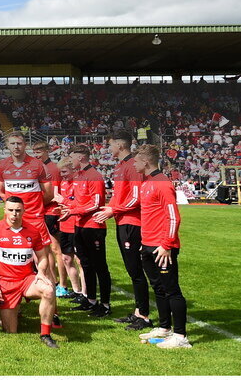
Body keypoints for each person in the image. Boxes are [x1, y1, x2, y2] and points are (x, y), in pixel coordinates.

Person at [133, 145, 190, 349]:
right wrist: (143, 244)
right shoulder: (147, 182)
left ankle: (181, 336)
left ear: (146, 162)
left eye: (136, 160)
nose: (134, 163)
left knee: (172, 289)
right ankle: (165, 328)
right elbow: (148, 216)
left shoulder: (162, 183)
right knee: (158, 287)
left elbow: (174, 217)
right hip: (148, 246)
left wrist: (166, 245)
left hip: (162, 247)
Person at [94, 129, 152, 330]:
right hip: (122, 221)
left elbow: (136, 198)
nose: (108, 148)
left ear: (119, 145)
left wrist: (113, 209)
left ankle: (144, 315)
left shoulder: (131, 166)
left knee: (136, 270)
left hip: (132, 223)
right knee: (132, 270)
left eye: (110, 144)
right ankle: (138, 312)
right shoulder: (121, 166)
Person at [0, 196, 59, 349]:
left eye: (18, 210)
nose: (14, 214)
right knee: (10, 331)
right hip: (5, 282)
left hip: (26, 280)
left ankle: (45, 334)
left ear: (23, 211)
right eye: (10, 210)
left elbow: (43, 257)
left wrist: (41, 273)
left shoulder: (33, 230)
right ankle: (12, 310)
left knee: (49, 290)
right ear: (4, 210)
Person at [61, 145, 111, 317]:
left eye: (72, 156)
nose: (70, 160)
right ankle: (90, 300)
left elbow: (95, 204)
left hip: (93, 227)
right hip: (80, 225)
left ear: (81, 157)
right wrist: (67, 206)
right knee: (86, 264)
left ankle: (105, 304)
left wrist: (72, 211)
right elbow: (78, 201)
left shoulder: (94, 176)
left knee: (99, 267)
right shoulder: (79, 176)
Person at [0, 131, 52, 242]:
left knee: (42, 252)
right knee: (15, 249)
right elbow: (1, 192)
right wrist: (14, 206)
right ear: (7, 145)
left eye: (19, 143)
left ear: (25, 144)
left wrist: (36, 205)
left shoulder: (37, 165)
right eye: (12, 144)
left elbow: (49, 193)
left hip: (34, 217)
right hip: (12, 217)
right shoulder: (2, 165)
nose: (16, 147)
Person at [31, 141, 67, 297]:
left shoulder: (51, 168)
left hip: (51, 211)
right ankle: (55, 280)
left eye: (40, 150)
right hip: (44, 211)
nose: (37, 154)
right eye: (35, 151)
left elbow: (52, 193)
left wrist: (35, 203)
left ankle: (62, 284)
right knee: (48, 249)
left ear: (47, 151)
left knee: (54, 249)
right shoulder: (41, 167)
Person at [54, 158, 86, 300]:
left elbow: (80, 203)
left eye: (65, 172)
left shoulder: (78, 183)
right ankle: (76, 290)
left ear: (73, 169)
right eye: (61, 172)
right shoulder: (63, 183)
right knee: (66, 258)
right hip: (64, 225)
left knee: (80, 260)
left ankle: (85, 293)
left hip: (76, 225)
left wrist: (64, 202)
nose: (63, 175)